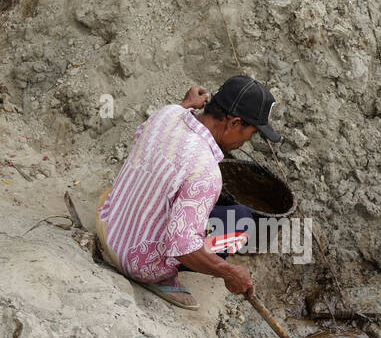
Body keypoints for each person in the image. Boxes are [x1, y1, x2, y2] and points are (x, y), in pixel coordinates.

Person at [95, 75, 280, 309]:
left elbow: (142, 134)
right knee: (241, 220)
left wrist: (184, 105)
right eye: (250, 133)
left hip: (108, 224)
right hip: (135, 261)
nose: (247, 141)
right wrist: (229, 272)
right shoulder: (205, 171)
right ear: (234, 123)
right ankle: (161, 277)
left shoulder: (168, 113)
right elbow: (182, 248)